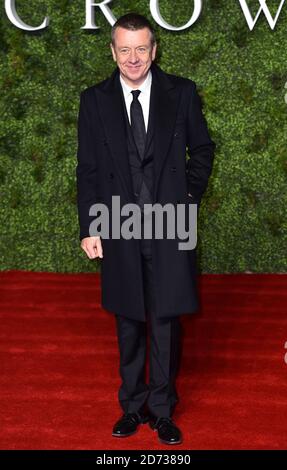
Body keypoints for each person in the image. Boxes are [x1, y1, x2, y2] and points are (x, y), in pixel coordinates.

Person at [76, 12, 215, 445]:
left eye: (141, 49)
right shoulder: (94, 100)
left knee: (167, 320)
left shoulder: (183, 93)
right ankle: (132, 407)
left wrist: (187, 199)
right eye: (124, 49)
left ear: (154, 51)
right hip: (118, 224)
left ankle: (162, 409)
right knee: (129, 319)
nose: (133, 58)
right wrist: (90, 226)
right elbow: (88, 171)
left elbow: (203, 150)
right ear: (113, 52)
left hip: (170, 224)